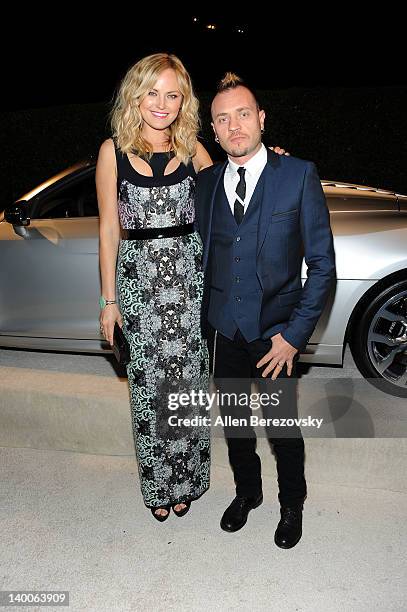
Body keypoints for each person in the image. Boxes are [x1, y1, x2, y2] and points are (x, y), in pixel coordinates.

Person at [195, 73, 336, 548]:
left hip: (276, 333)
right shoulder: (206, 184)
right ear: (213, 131)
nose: (234, 126)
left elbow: (322, 266)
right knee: (236, 426)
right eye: (222, 119)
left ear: (261, 119)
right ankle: (247, 494)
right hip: (222, 331)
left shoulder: (296, 175)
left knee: (281, 428)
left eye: (242, 114)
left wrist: (294, 336)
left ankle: (291, 503)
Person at [96, 53, 214, 521]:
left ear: (183, 100)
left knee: (186, 384)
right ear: (136, 95)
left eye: (172, 94)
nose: (162, 104)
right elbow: (108, 230)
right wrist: (109, 301)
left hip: (188, 283)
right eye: (153, 92)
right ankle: (158, 485)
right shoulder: (113, 151)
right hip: (139, 285)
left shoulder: (193, 148)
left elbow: (235, 188)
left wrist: (274, 162)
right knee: (148, 390)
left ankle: (187, 478)